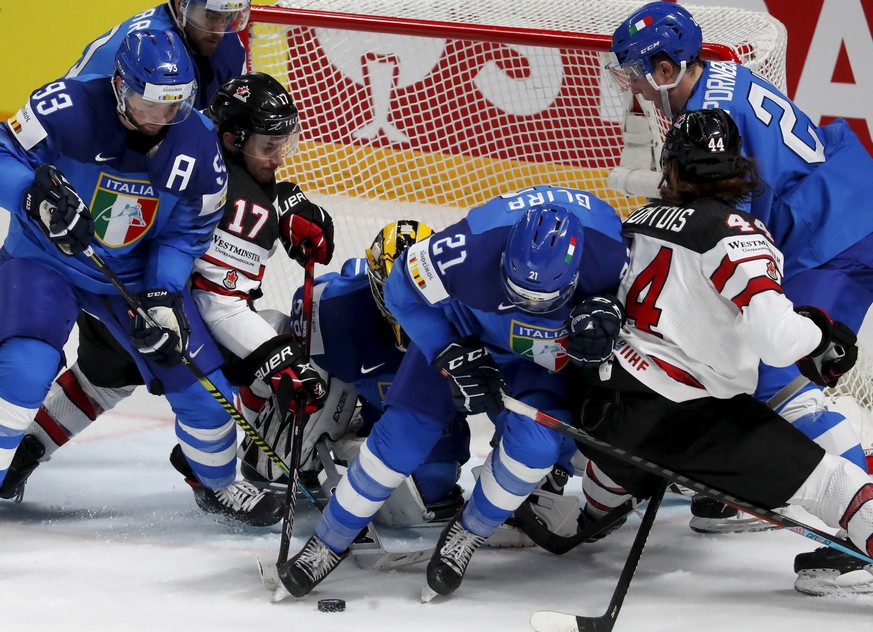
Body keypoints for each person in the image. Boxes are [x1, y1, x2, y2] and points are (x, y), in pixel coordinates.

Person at [0, 68, 333, 525]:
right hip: (153, 300)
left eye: (282, 146)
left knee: (105, 374)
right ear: (233, 139)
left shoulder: (198, 139)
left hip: (138, 291)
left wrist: (285, 199)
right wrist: (278, 359)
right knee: (251, 353)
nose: (278, 159)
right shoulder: (238, 203)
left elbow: (215, 204)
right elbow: (221, 302)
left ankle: (26, 452)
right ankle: (212, 479)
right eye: (268, 147)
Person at [565, 108, 869, 599]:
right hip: (684, 422)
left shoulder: (636, 220)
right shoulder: (738, 233)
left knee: (630, 449)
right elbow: (776, 340)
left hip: (601, 407)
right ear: (738, 168)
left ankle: (589, 514)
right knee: (831, 483)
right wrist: (818, 332)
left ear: (673, 168)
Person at [272, 185, 629, 602]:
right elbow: (400, 291)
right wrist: (447, 351)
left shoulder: (612, 250)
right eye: (518, 292)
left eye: (543, 298)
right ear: (502, 258)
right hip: (465, 330)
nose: (528, 305)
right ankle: (327, 541)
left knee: (536, 447)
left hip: (538, 357)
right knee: (399, 438)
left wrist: (612, 312)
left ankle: (467, 533)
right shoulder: (465, 246)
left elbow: (649, 307)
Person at [606, 1, 873, 545]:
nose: (634, 85)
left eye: (638, 72)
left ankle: (862, 520)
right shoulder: (718, 75)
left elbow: (730, 225)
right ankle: (753, 487)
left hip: (835, 232)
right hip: (837, 205)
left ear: (665, 69)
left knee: (786, 377)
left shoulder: (709, 121)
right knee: (748, 358)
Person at [0, 30, 239, 504]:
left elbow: (186, 233)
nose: (158, 119)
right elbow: (3, 151)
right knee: (27, 365)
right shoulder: (65, 106)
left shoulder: (201, 153)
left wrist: (163, 294)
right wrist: (31, 194)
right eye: (147, 104)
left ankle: (216, 488)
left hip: (131, 278)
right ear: (118, 85)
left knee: (208, 397)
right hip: (47, 257)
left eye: (171, 106)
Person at [237, 220, 472, 529]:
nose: (409, 302)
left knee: (427, 490)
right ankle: (289, 453)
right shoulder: (332, 306)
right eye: (396, 288)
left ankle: (354, 452)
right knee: (273, 343)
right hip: (360, 393)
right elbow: (276, 335)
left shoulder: (469, 311)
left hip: (419, 417)